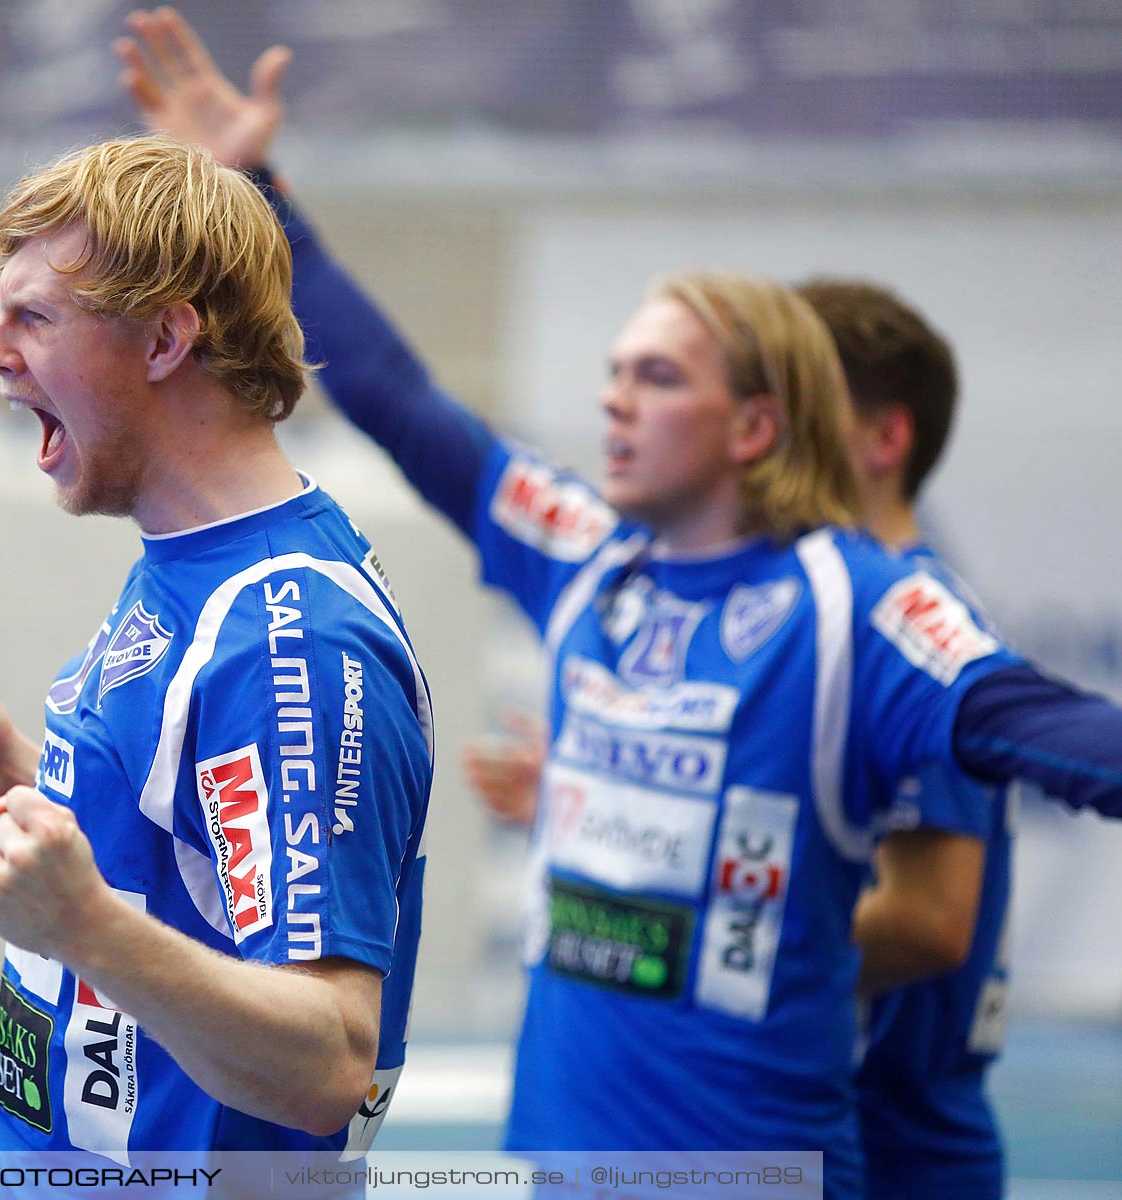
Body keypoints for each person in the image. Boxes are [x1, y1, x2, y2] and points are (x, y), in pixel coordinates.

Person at [114, 8, 1122, 1194]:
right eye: (611, 376)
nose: (615, 406)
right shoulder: (589, 555)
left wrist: (695, 921)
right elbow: (397, 399)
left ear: (754, 424)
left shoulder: (860, 604)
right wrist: (257, 191)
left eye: (657, 378)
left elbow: (1058, 735)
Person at [0, 134, 433, 1162]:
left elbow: (329, 1061)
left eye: (35, 318)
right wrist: (24, 780)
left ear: (162, 341)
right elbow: (186, 850)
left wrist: (85, 925)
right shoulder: (191, 559)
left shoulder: (294, 638)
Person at [800, 278, 1011, 1199]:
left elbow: (929, 923)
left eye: (801, 408)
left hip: (901, 1160)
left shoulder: (922, 632)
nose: (758, 434)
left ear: (886, 440)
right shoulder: (829, 620)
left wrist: (700, 949)